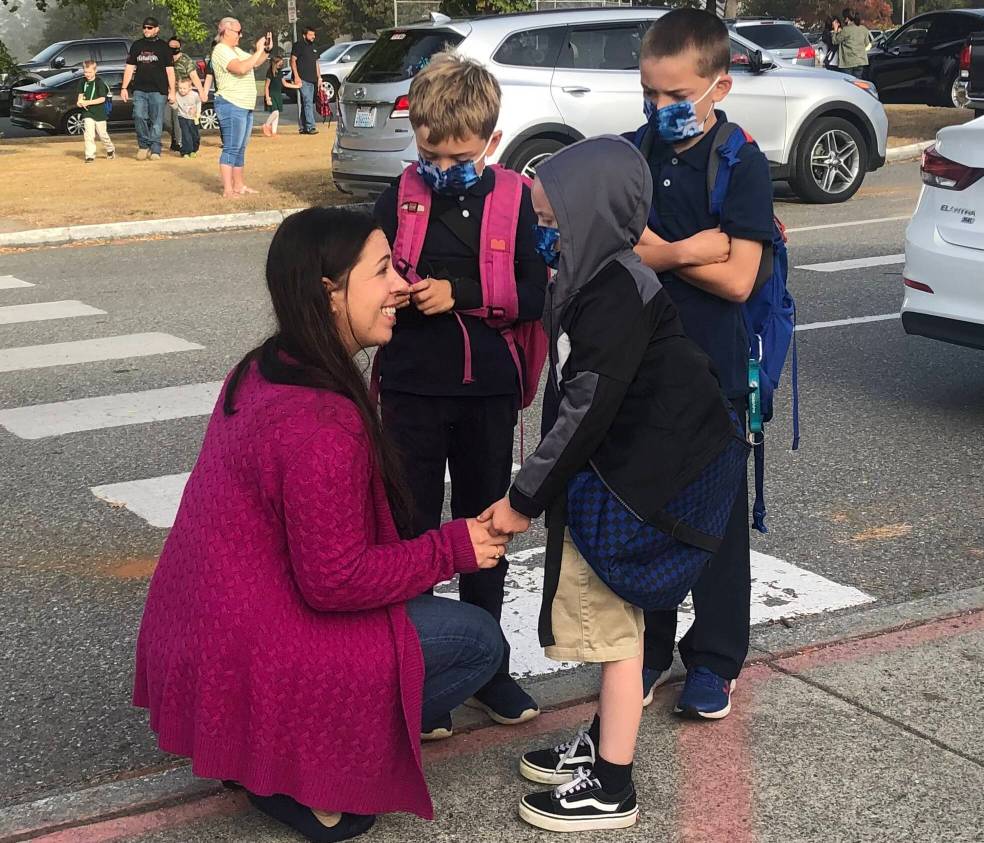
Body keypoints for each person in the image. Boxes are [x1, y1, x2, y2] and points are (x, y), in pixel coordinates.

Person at [133, 206, 507, 843]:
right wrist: (452, 547)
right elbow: (333, 581)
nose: (400, 286)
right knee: (477, 642)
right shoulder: (319, 420)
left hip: (208, 628)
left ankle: (252, 745)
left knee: (424, 626)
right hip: (259, 638)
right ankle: (288, 762)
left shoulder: (264, 364)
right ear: (327, 291)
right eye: (383, 270)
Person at [481, 135, 737, 832]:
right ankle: (603, 743)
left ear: (591, 217)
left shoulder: (612, 294)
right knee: (615, 623)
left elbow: (584, 409)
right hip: (641, 469)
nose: (543, 231)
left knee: (614, 629)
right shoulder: (599, 276)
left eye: (552, 219)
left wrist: (521, 498)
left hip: (644, 483)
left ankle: (612, 783)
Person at [372, 52, 547, 736]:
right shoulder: (401, 195)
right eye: (429, 153)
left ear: (493, 143)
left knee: (485, 527)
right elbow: (366, 269)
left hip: (485, 393)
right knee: (413, 530)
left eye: (459, 156)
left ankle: (489, 663)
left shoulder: (513, 198)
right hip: (411, 387)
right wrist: (397, 288)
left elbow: (536, 291)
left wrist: (462, 295)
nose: (442, 169)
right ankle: (424, 667)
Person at [631, 9, 775, 720]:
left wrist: (657, 251)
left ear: (718, 86)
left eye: (674, 97)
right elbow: (619, 251)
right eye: (648, 92)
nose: (659, 109)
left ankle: (715, 658)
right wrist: (690, 250)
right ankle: (651, 647)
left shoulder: (741, 163)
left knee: (714, 527)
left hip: (714, 374)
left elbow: (742, 278)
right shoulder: (637, 154)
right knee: (649, 517)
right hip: (643, 375)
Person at [212, 17, 270, 198]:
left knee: (240, 147)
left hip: (244, 105)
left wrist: (266, 49)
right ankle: (228, 190)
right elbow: (241, 68)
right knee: (231, 147)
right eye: (238, 32)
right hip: (230, 104)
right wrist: (258, 50)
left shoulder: (235, 49)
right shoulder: (220, 51)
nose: (240, 35)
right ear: (226, 31)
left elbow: (256, 62)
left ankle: (239, 185)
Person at [120, 16, 176, 161]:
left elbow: (170, 71)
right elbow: (129, 67)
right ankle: (144, 146)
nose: (146, 30)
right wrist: (124, 87)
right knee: (139, 116)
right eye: (144, 27)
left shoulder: (164, 47)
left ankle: (155, 148)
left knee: (157, 121)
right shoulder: (137, 46)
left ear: (157, 29)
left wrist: (172, 91)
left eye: (150, 28)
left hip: (158, 90)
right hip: (139, 89)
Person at [165, 36, 205, 153]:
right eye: (170, 46)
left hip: (183, 94)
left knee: (179, 120)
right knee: (165, 121)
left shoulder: (186, 60)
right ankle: (176, 137)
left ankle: (183, 144)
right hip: (168, 93)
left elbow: (194, 76)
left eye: (175, 46)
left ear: (180, 47)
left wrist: (201, 91)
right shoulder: (165, 59)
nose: (172, 48)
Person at [76, 59, 115, 163]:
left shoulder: (99, 82)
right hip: (88, 113)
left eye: (89, 72)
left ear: (95, 71)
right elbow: (80, 96)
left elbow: (102, 99)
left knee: (102, 134)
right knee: (89, 134)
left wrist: (88, 102)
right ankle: (90, 155)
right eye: (85, 72)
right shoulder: (82, 81)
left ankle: (110, 149)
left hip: (99, 112)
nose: (87, 74)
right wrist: (79, 102)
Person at [291, 25, 322, 135]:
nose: (313, 36)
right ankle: (311, 126)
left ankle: (304, 127)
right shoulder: (298, 45)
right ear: (304, 35)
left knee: (307, 103)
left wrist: (319, 77)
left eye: (314, 34)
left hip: (313, 79)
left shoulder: (314, 47)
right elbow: (293, 60)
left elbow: (316, 63)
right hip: (302, 79)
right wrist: (296, 76)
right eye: (310, 34)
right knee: (307, 102)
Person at [263, 54, 300, 137]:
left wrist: (296, 86)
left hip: (278, 95)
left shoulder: (280, 72)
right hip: (271, 95)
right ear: (275, 63)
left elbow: (285, 84)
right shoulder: (270, 73)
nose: (281, 63)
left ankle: (274, 132)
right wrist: (267, 98)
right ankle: (266, 125)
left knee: (277, 114)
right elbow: (266, 86)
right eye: (280, 62)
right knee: (275, 112)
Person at [833, 8, 873, 78]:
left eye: (843, 17)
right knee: (857, 83)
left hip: (848, 62)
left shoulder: (846, 29)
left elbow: (835, 41)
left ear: (847, 18)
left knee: (848, 84)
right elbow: (867, 44)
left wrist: (835, 29)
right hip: (861, 61)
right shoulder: (863, 29)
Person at [174, 78, 201, 158]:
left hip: (194, 118)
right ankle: (185, 152)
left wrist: (198, 113)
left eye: (184, 88)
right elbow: (175, 106)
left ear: (190, 88)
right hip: (182, 117)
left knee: (195, 135)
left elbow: (199, 103)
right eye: (180, 88)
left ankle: (193, 150)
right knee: (186, 134)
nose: (182, 90)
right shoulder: (177, 95)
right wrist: (172, 102)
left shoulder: (194, 95)